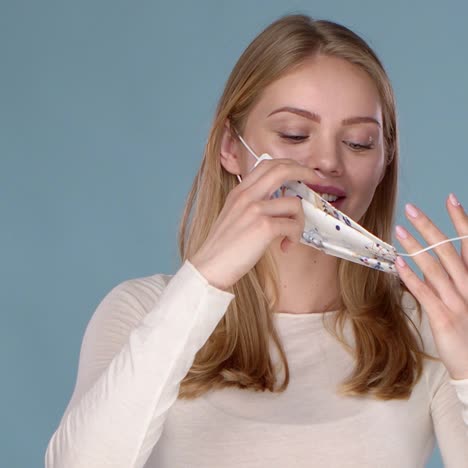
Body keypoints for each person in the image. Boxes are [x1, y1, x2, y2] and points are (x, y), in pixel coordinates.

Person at [45, 14, 468, 467]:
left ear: (385, 161)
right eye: (294, 134)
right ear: (231, 148)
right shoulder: (140, 311)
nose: (326, 161)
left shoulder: (428, 326)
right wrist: (204, 280)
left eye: (360, 142)